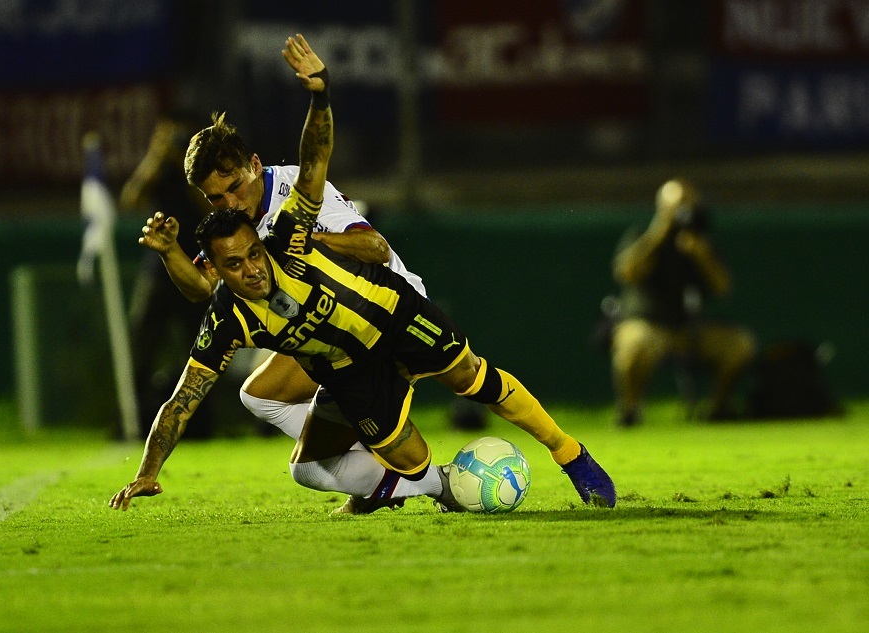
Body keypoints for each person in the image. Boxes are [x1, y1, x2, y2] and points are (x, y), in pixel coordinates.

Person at [110, 33, 616, 514]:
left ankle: (571, 455)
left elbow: (374, 246)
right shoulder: (232, 232)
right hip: (334, 344)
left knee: (470, 377)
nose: (229, 202)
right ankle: (389, 472)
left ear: (255, 165)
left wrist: (305, 236)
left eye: (234, 188)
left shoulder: (293, 201)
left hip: (384, 308)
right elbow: (204, 289)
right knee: (262, 399)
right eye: (214, 199)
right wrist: (170, 252)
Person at [611, 178, 756, 426]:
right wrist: (658, 233)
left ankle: (718, 409)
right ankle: (630, 410)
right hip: (648, 326)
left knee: (739, 344)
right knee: (635, 342)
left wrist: (702, 256)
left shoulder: (699, 241)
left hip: (689, 330)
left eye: (689, 205)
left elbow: (723, 287)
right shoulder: (641, 236)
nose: (683, 212)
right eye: (677, 206)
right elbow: (626, 271)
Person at [120, 111, 214, 438]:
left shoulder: (200, 173)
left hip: (197, 270)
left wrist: (187, 169)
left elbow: (212, 210)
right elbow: (131, 198)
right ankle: (130, 424)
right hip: (158, 275)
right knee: (140, 348)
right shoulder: (159, 168)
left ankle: (200, 426)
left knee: (202, 350)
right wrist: (157, 153)